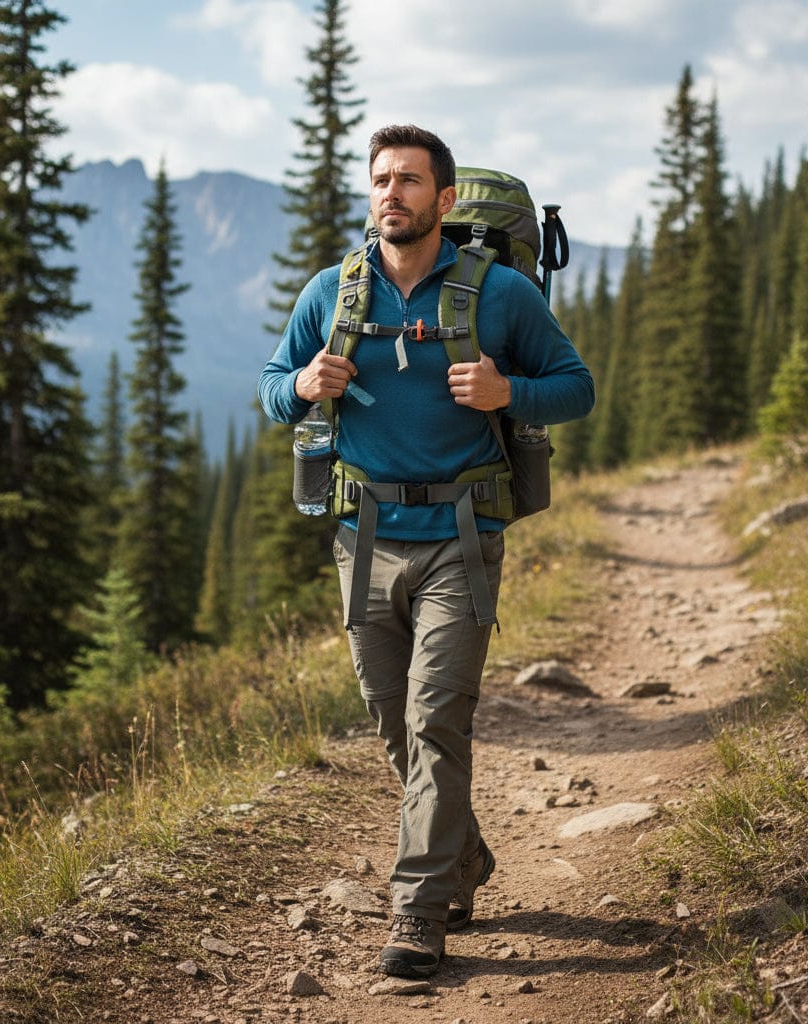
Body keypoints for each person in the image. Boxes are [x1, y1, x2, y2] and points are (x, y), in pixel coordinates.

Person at [258, 124, 594, 978]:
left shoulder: (499, 296)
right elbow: (271, 387)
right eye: (380, 179)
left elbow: (577, 386)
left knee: (434, 718)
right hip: (362, 538)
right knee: (391, 722)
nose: (391, 193)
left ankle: (417, 913)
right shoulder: (333, 290)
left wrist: (506, 388)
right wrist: (302, 385)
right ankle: (463, 859)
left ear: (444, 201)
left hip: (461, 537)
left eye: (409, 180)